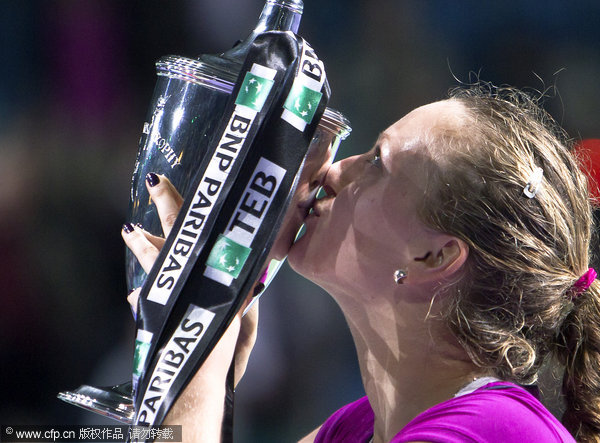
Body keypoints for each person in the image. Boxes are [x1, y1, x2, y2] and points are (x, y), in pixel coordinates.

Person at [122, 85, 600, 442]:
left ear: (434, 256)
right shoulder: (356, 428)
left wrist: (201, 328)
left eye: (376, 161)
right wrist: (212, 374)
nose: (334, 169)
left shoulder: (494, 432)